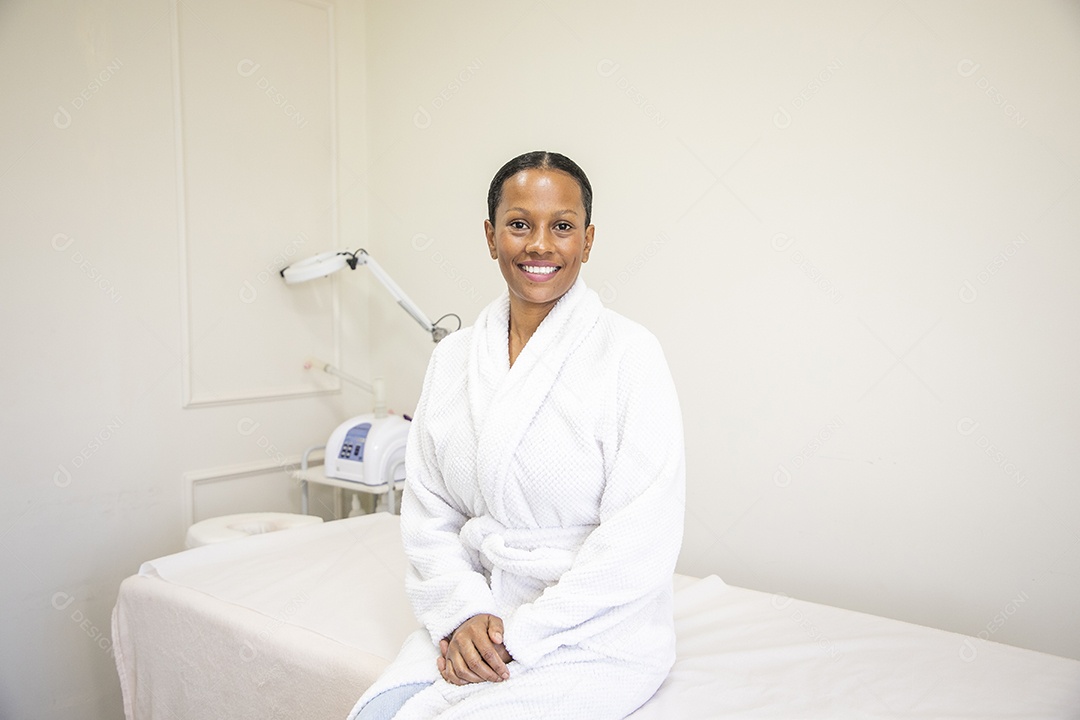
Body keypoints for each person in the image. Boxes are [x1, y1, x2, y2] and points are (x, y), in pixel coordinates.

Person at [348, 151, 685, 719]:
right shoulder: (455, 357)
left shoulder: (629, 354)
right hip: (476, 615)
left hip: (594, 631)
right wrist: (464, 614)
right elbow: (429, 511)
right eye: (519, 224)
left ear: (588, 238)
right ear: (490, 234)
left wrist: (519, 634)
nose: (539, 245)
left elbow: (639, 538)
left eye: (562, 226)